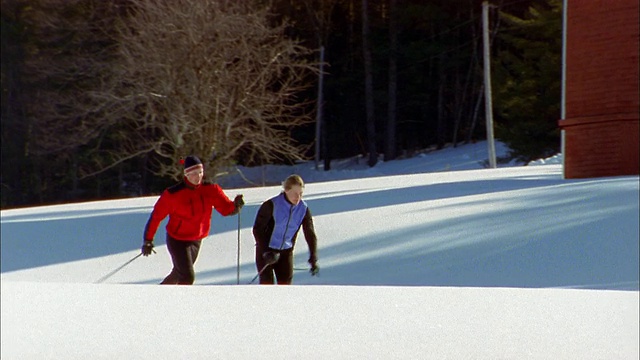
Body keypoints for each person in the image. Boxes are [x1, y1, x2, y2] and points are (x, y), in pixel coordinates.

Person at [141, 155, 244, 285]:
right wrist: (148, 240)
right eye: (194, 173)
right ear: (186, 175)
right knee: (187, 277)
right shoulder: (173, 194)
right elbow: (156, 217)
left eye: (200, 172)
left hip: (196, 239)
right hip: (177, 239)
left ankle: (159, 293)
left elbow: (225, 209)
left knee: (178, 273)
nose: (198, 176)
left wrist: (236, 206)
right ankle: (182, 303)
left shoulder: (211, 189)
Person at [252, 174, 319, 284]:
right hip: (266, 251)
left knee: (285, 287)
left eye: (300, 194)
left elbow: (310, 233)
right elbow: (257, 229)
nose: (298, 197)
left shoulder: (303, 209)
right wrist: (265, 252)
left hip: (286, 252)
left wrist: (313, 257)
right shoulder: (271, 205)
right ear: (286, 190)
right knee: (266, 286)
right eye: (295, 193)